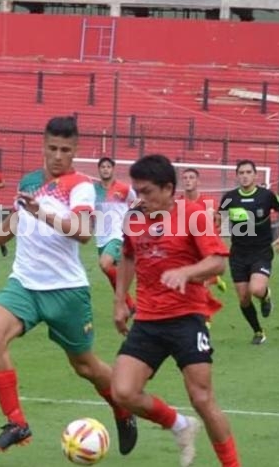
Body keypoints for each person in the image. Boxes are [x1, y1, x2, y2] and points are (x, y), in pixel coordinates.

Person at [0, 117, 137, 454]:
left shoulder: (80, 185)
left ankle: (122, 407)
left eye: (65, 150)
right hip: (24, 283)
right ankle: (16, 423)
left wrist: (42, 213)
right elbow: (16, 219)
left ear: (75, 151)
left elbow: (83, 231)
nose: (58, 155)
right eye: (52, 148)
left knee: (85, 366)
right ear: (43, 145)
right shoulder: (29, 181)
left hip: (66, 291)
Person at [111, 154, 240, 467]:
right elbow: (128, 256)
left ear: (168, 188)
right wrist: (120, 301)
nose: (140, 199)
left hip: (187, 318)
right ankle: (180, 425)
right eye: (137, 192)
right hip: (148, 319)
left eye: (147, 192)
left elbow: (218, 261)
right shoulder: (135, 217)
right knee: (123, 392)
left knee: (202, 398)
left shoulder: (193, 215)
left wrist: (186, 272)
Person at [217, 160, 279, 345]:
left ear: (255, 175)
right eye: (241, 172)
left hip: (261, 252)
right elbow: (223, 224)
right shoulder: (229, 198)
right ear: (237, 175)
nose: (244, 175)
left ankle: (266, 297)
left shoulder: (266, 196)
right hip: (238, 254)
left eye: (248, 172)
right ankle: (258, 331)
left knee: (256, 289)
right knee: (243, 299)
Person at [94, 157, 136, 312]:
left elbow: (136, 203)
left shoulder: (124, 189)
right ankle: (129, 305)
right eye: (102, 167)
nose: (105, 169)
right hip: (101, 237)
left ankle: (129, 303)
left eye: (108, 166)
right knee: (113, 274)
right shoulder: (93, 190)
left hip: (117, 234)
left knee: (105, 265)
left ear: (113, 169)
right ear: (99, 170)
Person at [178, 168, 228, 295]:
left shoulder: (209, 204)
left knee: (199, 288)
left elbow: (218, 225)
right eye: (185, 178)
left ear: (198, 182)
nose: (188, 180)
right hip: (186, 248)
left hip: (203, 248)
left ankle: (210, 280)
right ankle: (213, 279)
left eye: (191, 177)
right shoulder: (177, 203)